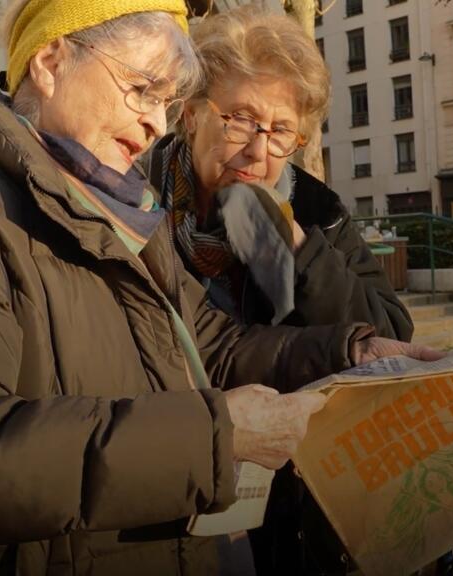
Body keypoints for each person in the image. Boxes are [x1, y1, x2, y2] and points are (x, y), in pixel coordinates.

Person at [0, 1, 440, 574]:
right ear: (50, 64)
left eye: (165, 98)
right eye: (143, 89)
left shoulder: (118, 208)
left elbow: (211, 344)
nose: (155, 122)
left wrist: (350, 352)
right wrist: (217, 435)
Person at [145, 8, 427, 574]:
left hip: (289, 499)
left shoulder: (315, 210)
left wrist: (296, 245)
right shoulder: (133, 202)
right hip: (167, 488)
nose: (260, 151)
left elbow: (388, 333)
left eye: (280, 132)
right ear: (191, 112)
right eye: (241, 121)